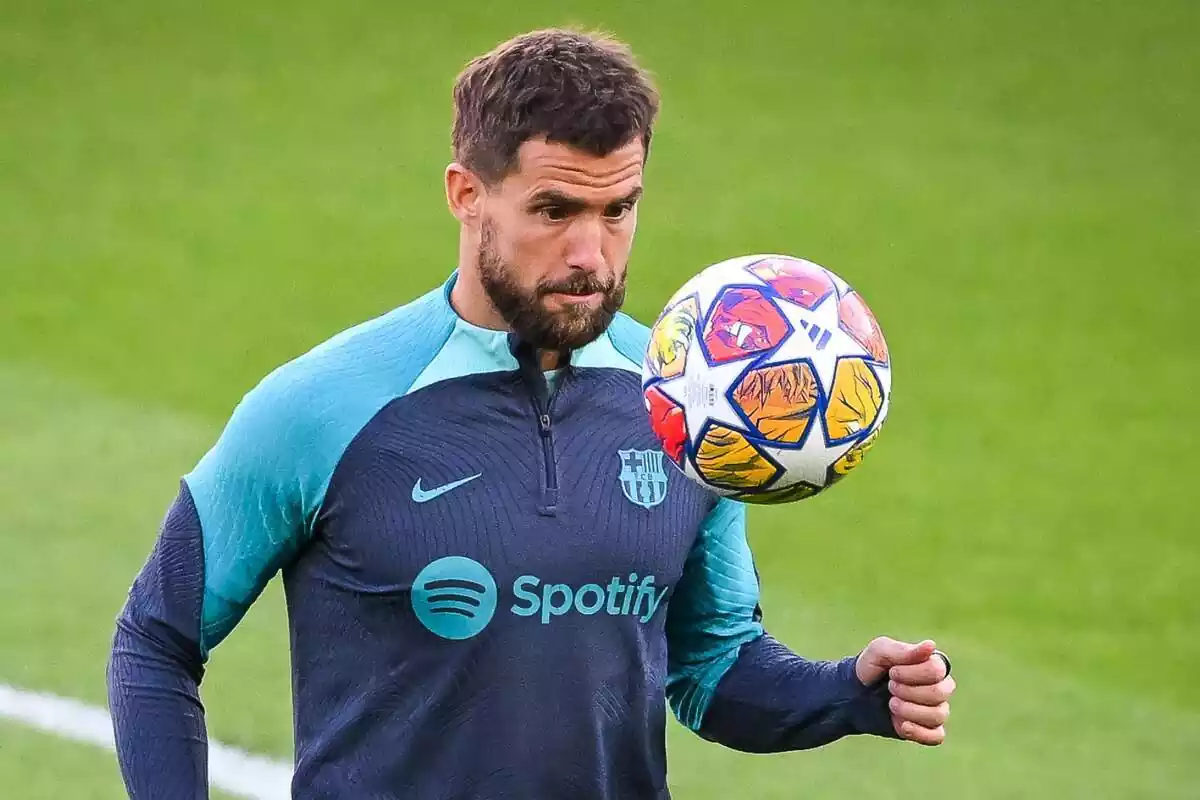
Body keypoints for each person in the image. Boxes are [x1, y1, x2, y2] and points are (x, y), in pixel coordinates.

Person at [107, 27, 956, 799]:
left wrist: (851, 693)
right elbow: (155, 641)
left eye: (617, 210)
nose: (591, 254)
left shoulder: (685, 405)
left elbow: (713, 669)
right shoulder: (321, 407)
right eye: (555, 210)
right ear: (466, 193)